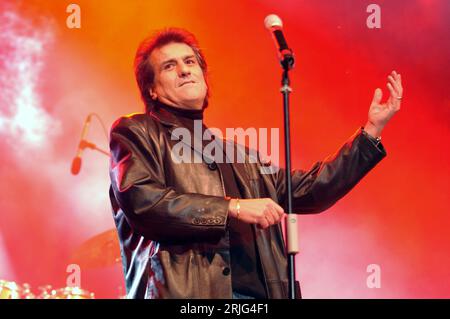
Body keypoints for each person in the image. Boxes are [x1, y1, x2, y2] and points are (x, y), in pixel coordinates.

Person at [108, 28, 402, 299]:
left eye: (190, 62)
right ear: (152, 90)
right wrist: (233, 208)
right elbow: (144, 201)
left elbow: (311, 189)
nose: (185, 70)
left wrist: (370, 132)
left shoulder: (240, 155)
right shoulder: (136, 131)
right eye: (169, 66)